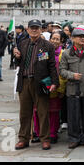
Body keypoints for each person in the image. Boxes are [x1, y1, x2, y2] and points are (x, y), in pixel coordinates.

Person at [13, 19, 59, 151]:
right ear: (27, 29)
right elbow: (18, 63)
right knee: (24, 113)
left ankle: (45, 139)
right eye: (32, 28)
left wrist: (54, 82)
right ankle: (23, 139)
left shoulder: (47, 45)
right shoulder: (22, 43)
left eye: (36, 28)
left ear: (41, 30)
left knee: (43, 113)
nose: (34, 30)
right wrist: (16, 56)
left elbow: (52, 66)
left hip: (40, 83)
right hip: (24, 81)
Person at [59, 25, 84, 149]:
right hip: (72, 89)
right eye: (79, 36)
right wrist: (72, 75)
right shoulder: (66, 53)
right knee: (73, 115)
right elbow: (62, 71)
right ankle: (74, 138)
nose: (82, 39)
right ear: (73, 38)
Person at [32, 31, 67, 144]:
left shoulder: (62, 53)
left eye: (57, 39)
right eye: (53, 38)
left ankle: (52, 133)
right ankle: (38, 133)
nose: (55, 41)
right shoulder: (44, 51)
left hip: (55, 87)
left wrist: (60, 88)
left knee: (54, 112)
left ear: (61, 41)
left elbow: (62, 73)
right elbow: (39, 67)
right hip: (42, 86)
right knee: (38, 111)